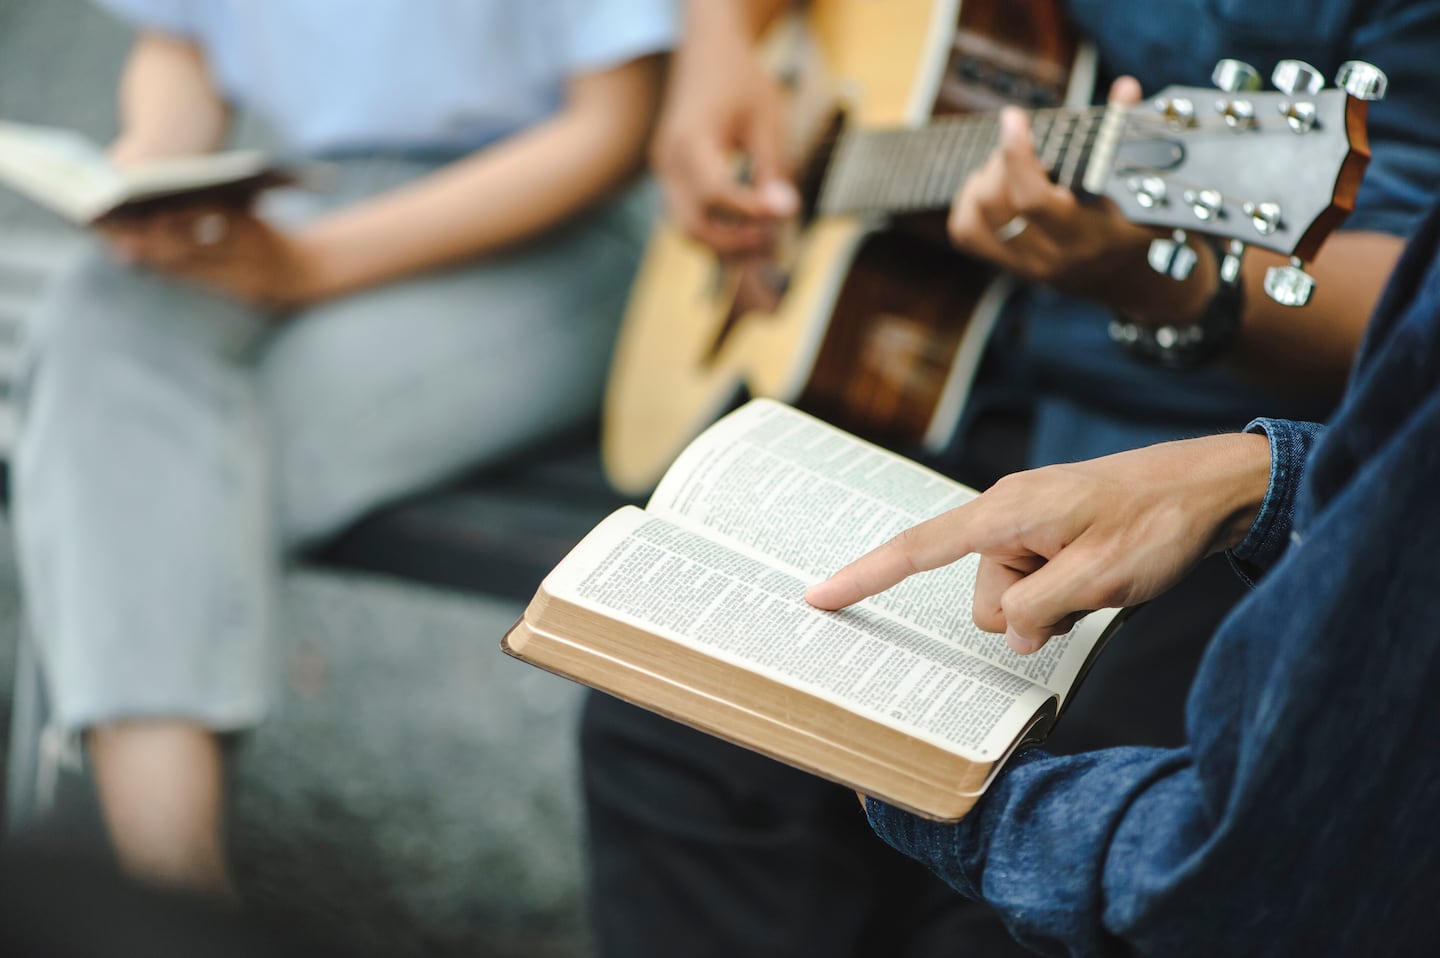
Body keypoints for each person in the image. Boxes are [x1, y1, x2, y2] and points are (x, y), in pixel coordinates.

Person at [579, 0, 1440, 953]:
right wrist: (717, 51)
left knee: (1034, 839)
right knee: (672, 718)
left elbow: (1408, 314)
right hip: (908, 381)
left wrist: (1154, 278)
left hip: (1178, 449)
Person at [14, 0, 674, 893]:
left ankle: (154, 904)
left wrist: (315, 265)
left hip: (536, 237)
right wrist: (154, 172)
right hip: (299, 193)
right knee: (107, 318)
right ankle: (171, 895)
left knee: (141, 471)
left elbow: (613, 126)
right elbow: (179, 43)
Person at [802, 191, 1440, 957]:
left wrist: (951, 796)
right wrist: (1251, 478)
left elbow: (1238, 884)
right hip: (1013, 389)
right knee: (658, 753)